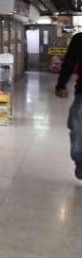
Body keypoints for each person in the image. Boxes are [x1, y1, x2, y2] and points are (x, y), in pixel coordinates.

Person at [54, 32, 82, 182]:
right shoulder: (79, 39)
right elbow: (69, 63)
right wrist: (61, 85)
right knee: (78, 127)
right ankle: (81, 164)